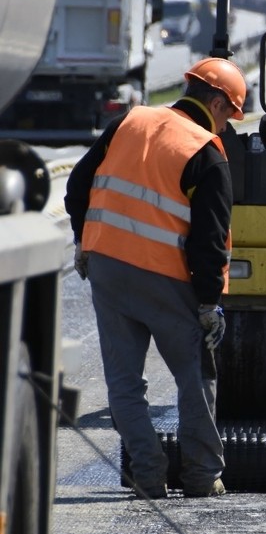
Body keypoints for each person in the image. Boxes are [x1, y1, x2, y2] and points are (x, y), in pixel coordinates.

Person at [64, 57, 247, 501]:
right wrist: (208, 304)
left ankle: (148, 475)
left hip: (106, 265)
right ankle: (203, 477)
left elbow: (77, 187)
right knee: (195, 373)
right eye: (230, 116)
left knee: (124, 383)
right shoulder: (206, 152)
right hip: (164, 277)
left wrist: (83, 241)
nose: (227, 128)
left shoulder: (131, 120)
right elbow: (210, 243)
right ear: (219, 103)